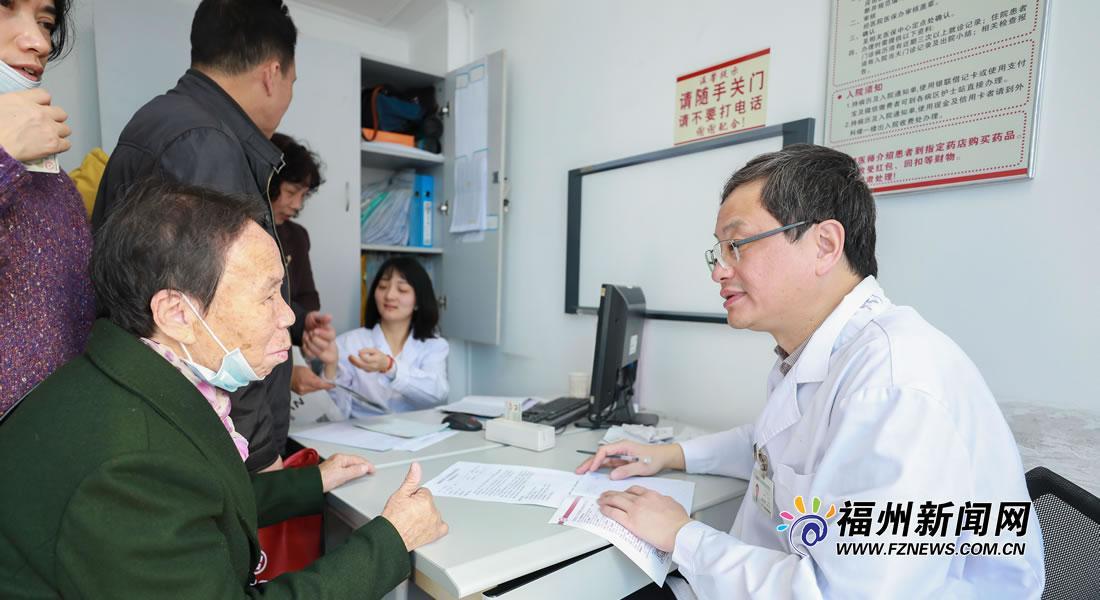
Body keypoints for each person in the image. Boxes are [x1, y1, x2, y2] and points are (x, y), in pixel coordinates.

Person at [577, 145, 1044, 599]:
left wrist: (683, 535)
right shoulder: (821, 355)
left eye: (737, 245)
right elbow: (774, 447)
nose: (719, 271)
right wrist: (670, 454)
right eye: (718, 251)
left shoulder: (895, 383)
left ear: (824, 245)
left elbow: (845, 594)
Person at [0, 178, 448, 598]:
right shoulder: (130, 464)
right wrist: (392, 539)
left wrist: (314, 480)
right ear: (177, 314)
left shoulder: (132, 382)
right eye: (267, 295)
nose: (288, 316)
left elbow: (201, 500)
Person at [91, 0, 334, 472]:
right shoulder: (206, 144)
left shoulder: (166, 119)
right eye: (293, 82)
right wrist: (256, 455)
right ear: (272, 73)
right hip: (210, 436)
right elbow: (224, 321)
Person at [0, 0, 94, 414]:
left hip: (58, 435)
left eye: (45, 23)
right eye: (5, 8)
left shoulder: (54, 183)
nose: (40, 42)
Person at [321, 256, 448, 417]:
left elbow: (437, 395)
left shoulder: (434, 345)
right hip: (360, 431)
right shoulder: (349, 342)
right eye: (382, 287)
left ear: (418, 301)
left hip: (415, 430)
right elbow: (333, 413)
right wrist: (330, 367)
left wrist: (390, 367)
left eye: (402, 289)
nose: (389, 295)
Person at [267, 131, 333, 397]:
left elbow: (308, 296)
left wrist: (309, 323)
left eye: (303, 196)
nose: (297, 205)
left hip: (287, 354)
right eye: (291, 192)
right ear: (269, 181)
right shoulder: (243, 231)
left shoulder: (297, 236)